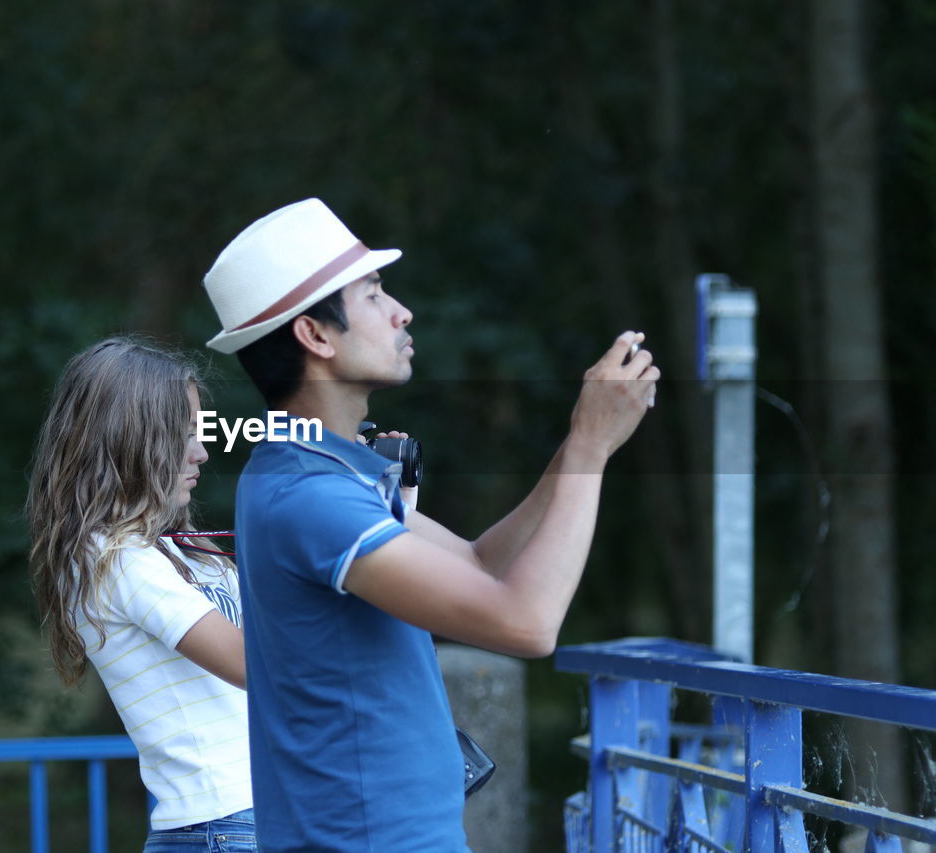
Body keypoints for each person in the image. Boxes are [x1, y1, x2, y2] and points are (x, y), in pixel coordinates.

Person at [200, 198, 660, 852]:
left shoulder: (326, 467)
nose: (401, 311)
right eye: (374, 294)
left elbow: (481, 566)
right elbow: (526, 621)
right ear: (316, 335)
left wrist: (585, 444)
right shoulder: (307, 493)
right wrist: (588, 445)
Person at [26, 337, 256, 853]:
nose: (201, 451)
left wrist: (386, 514)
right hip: (227, 822)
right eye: (183, 434)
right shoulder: (114, 559)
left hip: (246, 819)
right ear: (128, 440)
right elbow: (261, 665)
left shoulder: (177, 547)